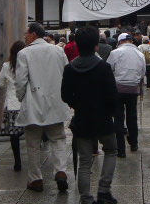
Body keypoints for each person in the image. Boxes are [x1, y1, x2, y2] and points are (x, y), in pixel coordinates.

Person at [62, 27, 119, 204]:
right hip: (103, 118)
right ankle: (104, 190)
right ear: (96, 46)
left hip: (82, 118)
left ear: (77, 45)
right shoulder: (104, 67)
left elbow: (65, 95)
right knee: (111, 150)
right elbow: (113, 96)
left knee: (84, 160)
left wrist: (76, 104)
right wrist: (109, 111)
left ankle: (86, 198)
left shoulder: (70, 68)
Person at [16, 22, 72, 192]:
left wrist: (21, 98)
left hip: (33, 102)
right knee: (58, 138)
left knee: (32, 143)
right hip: (56, 100)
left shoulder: (24, 53)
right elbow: (67, 74)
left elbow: (20, 81)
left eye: (26, 33)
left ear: (33, 34)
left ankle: (36, 179)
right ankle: (61, 171)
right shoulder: (58, 50)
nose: (25, 36)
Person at [106, 33, 146, 157]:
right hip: (133, 88)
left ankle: (120, 149)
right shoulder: (140, 54)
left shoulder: (115, 53)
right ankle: (134, 143)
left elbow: (108, 68)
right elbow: (143, 71)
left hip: (117, 88)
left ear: (120, 42)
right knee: (132, 116)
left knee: (118, 118)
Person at [0, 40, 26, 171]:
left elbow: (0, 83)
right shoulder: (26, 64)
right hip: (25, 103)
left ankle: (17, 162)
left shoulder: (6, 66)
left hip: (12, 104)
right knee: (30, 133)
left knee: (14, 136)